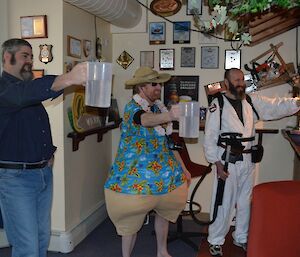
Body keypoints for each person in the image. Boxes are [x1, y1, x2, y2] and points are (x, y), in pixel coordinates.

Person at [0, 38, 87, 257]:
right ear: (6, 57)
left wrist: (48, 154)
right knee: (27, 246)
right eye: (24, 56)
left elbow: (33, 125)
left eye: (31, 56)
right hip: (15, 179)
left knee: (41, 240)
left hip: (42, 174)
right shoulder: (6, 90)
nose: (29, 61)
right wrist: (68, 78)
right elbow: (27, 94)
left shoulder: (26, 89)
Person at [203, 68, 300, 256]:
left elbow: (275, 106)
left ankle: (241, 236)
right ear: (226, 82)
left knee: (245, 201)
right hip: (228, 160)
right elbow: (210, 137)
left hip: (248, 159)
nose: (240, 83)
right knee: (224, 201)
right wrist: (217, 164)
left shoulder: (250, 101)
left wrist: (297, 103)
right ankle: (215, 240)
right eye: (236, 80)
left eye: (242, 79)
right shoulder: (218, 104)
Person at [104, 66, 191, 257]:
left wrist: (183, 167)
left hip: (163, 176)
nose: (158, 87)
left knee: (163, 213)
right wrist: (170, 115)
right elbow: (144, 120)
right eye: (154, 84)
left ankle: (162, 251)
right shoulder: (132, 109)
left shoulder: (156, 106)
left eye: (159, 83)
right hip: (136, 179)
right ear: (141, 87)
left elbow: (167, 142)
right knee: (131, 223)